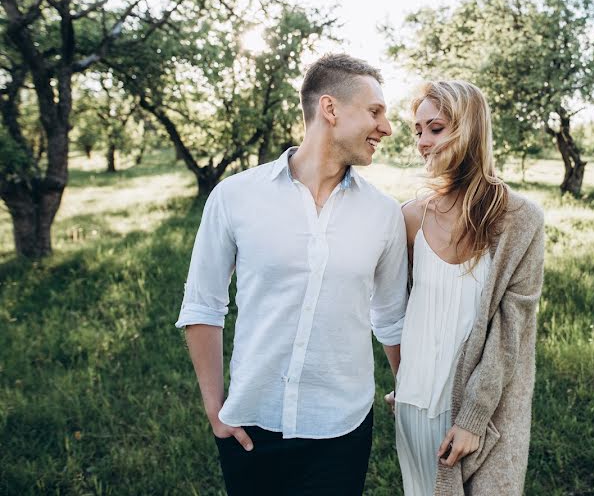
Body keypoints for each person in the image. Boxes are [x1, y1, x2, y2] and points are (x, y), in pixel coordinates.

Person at [175, 53, 408, 495]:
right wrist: (214, 407)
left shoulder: (385, 214)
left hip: (342, 430)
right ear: (330, 108)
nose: (387, 127)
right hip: (251, 425)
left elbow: (391, 317)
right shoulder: (234, 197)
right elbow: (203, 304)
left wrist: (414, 396)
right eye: (375, 111)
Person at [386, 80, 545, 495]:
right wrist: (401, 382)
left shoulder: (519, 220)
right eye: (417, 130)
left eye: (435, 129)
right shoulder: (409, 217)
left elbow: (513, 329)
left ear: (470, 128)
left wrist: (473, 417)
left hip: (482, 414)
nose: (422, 142)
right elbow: (395, 311)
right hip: (414, 403)